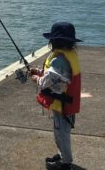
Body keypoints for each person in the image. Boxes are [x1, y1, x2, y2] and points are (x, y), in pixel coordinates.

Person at [30, 22, 82, 170]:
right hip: (66, 104)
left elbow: (47, 82)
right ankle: (61, 155)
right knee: (59, 131)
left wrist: (37, 78)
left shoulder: (59, 59)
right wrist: (40, 71)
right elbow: (58, 76)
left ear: (54, 42)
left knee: (62, 133)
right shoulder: (68, 56)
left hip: (63, 106)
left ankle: (66, 163)